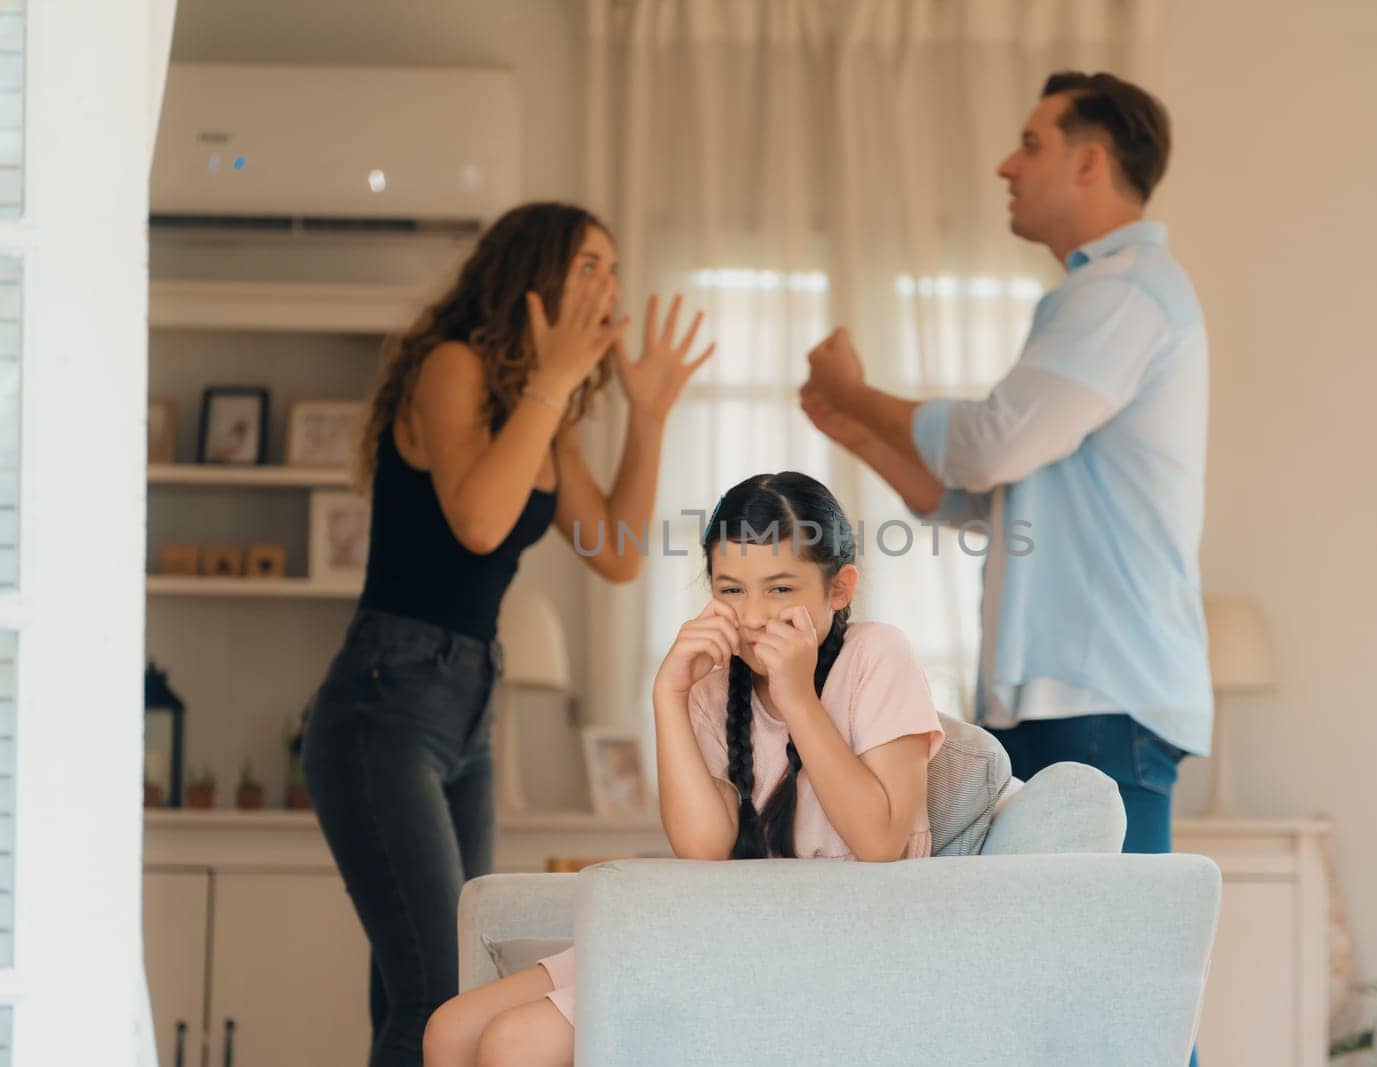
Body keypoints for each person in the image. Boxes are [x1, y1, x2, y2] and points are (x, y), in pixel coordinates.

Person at [799, 70, 1210, 1056]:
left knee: (1121, 996)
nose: (1004, 165)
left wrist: (863, 388)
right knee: (1052, 996)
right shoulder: (1086, 302)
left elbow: (985, 443)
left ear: (1089, 158)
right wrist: (850, 424)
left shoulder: (1128, 296)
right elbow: (974, 496)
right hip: (1063, 699)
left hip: (1105, 695)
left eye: (1028, 143)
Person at [300, 201, 714, 1067]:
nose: (610, 286)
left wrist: (647, 415)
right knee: (437, 988)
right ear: (533, 278)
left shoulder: (546, 419)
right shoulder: (451, 368)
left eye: (613, 267)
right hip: (386, 701)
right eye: (588, 266)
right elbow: (481, 522)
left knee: (437, 967)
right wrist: (553, 383)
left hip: (467, 708)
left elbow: (617, 553)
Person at [421, 472, 946, 1067]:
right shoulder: (718, 682)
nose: (752, 617)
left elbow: (880, 842)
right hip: (727, 927)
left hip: (837, 942)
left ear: (840, 588)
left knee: (515, 1042)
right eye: (731, 590)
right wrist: (668, 695)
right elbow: (703, 847)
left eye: (780, 589)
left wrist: (797, 697)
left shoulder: (877, 655)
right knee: (450, 1029)